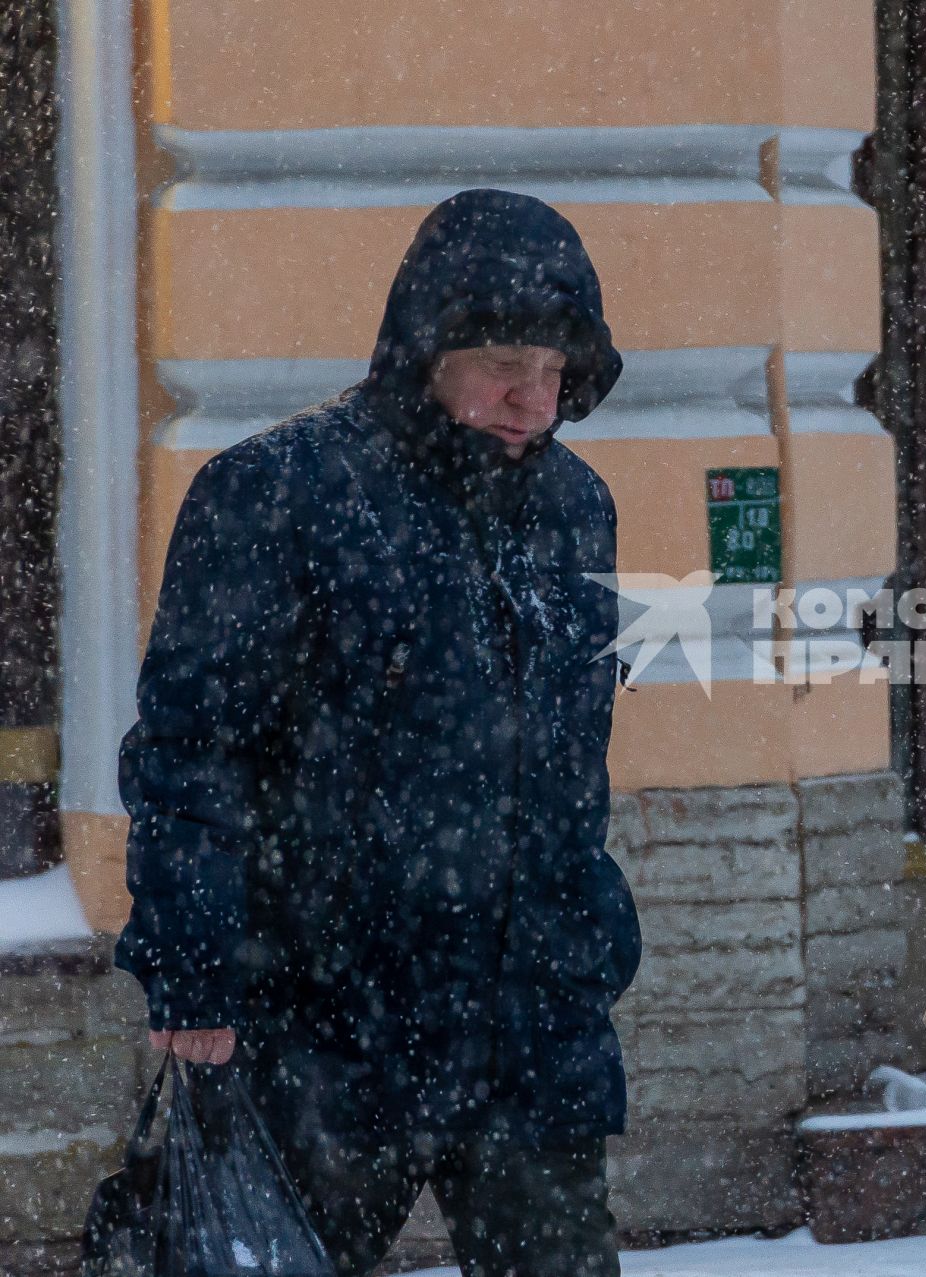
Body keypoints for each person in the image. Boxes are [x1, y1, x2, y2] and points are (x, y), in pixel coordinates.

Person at [115, 189, 640, 1277]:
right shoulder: (278, 493)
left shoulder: (576, 509)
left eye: (553, 367)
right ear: (424, 348)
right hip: (327, 1016)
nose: (531, 396)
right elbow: (190, 749)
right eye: (501, 358)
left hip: (525, 1025)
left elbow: (567, 769)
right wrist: (194, 966)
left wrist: (583, 949)